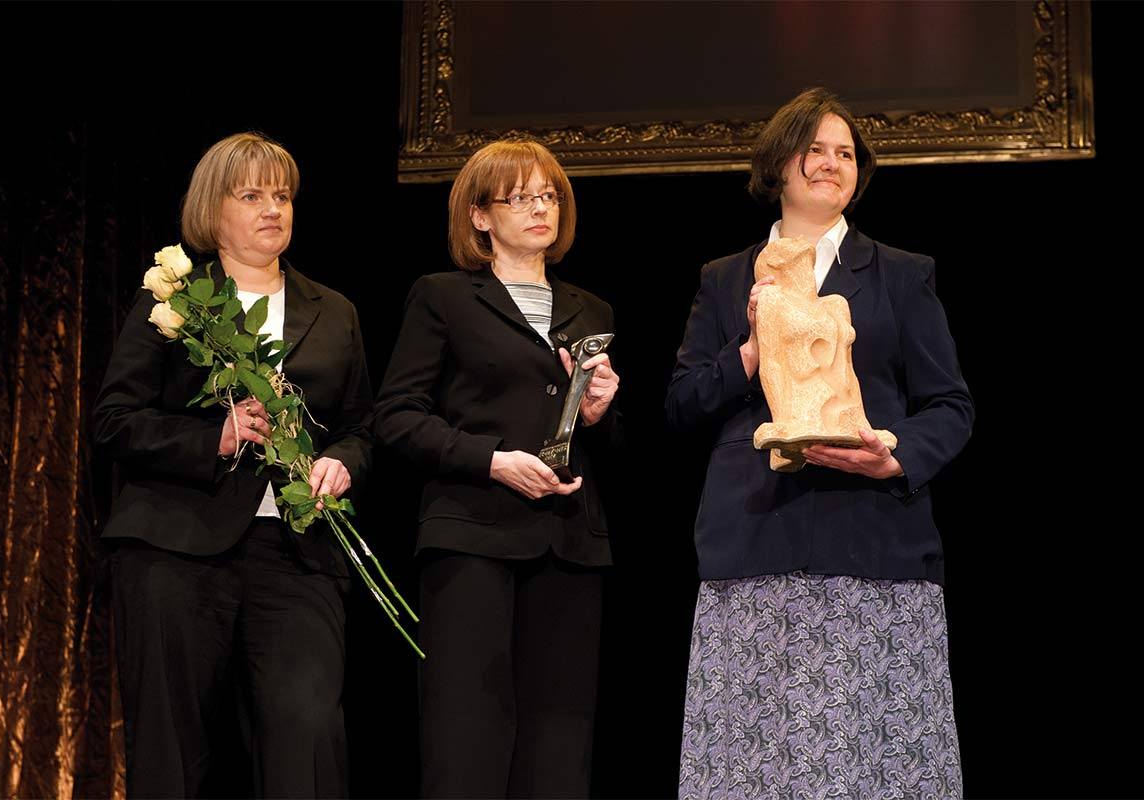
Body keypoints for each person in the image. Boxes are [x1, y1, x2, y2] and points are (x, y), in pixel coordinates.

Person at [667, 88, 973, 798]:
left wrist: (895, 454)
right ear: (780, 163)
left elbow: (951, 406)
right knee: (754, 770)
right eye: (816, 150)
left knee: (871, 766)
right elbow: (682, 405)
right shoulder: (725, 279)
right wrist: (750, 349)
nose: (833, 163)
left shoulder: (901, 274)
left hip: (873, 549)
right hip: (754, 548)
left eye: (846, 154)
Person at [93, 132, 372, 798]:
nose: (273, 209)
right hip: (175, 549)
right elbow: (113, 421)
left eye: (282, 196)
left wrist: (340, 463)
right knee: (173, 753)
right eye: (251, 196)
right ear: (212, 210)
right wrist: (212, 437)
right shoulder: (173, 303)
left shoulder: (334, 311)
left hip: (296, 554)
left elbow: (361, 427)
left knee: (308, 733)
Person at [373, 139, 620, 798]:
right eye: (520, 198)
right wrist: (490, 460)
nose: (540, 209)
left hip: (568, 543)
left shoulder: (591, 310)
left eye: (549, 196)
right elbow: (396, 416)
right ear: (480, 216)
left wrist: (600, 412)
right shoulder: (444, 297)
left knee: (559, 745)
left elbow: (612, 446)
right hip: (472, 538)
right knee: (467, 736)